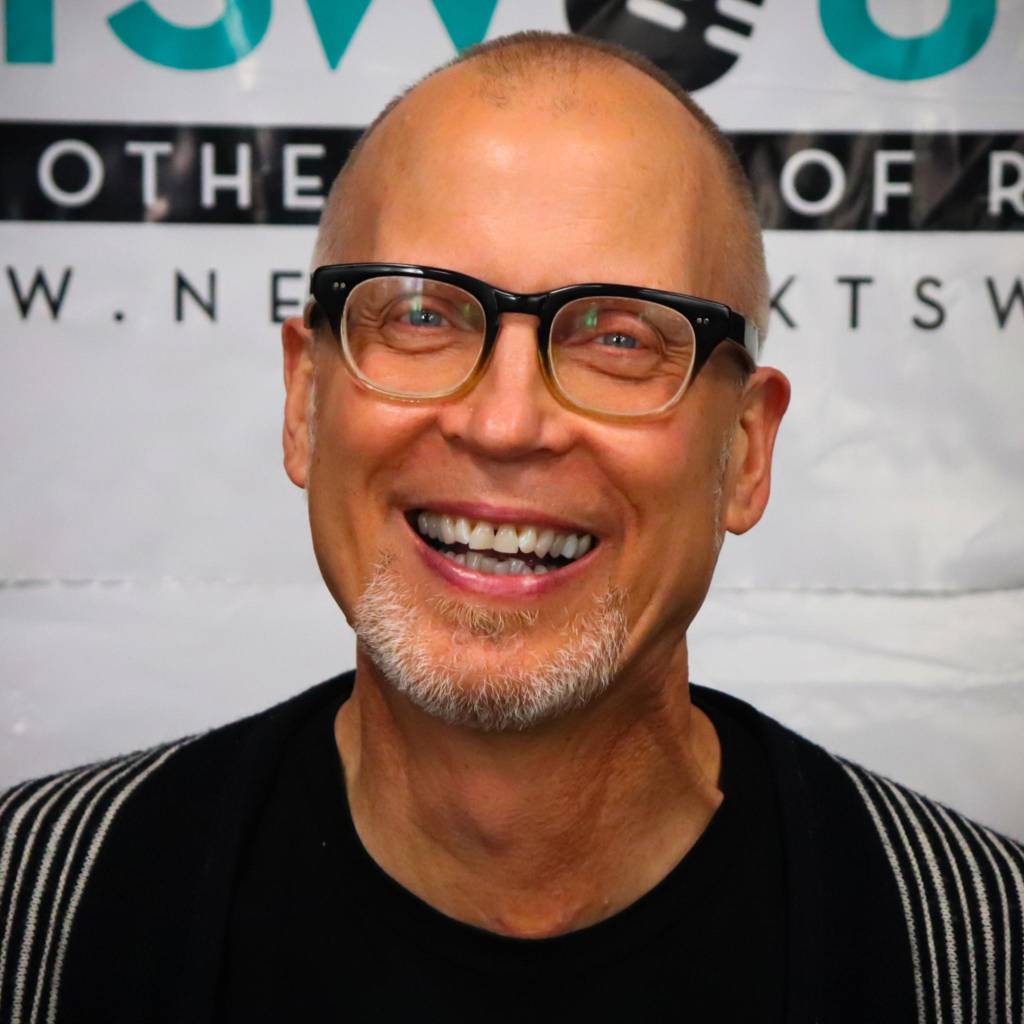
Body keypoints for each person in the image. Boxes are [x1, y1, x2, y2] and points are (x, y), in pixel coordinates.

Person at [2, 31, 1021, 1024]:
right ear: (304, 402)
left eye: (619, 336)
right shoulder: (33, 913)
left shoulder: (984, 953)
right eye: (420, 314)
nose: (504, 423)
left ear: (745, 453)